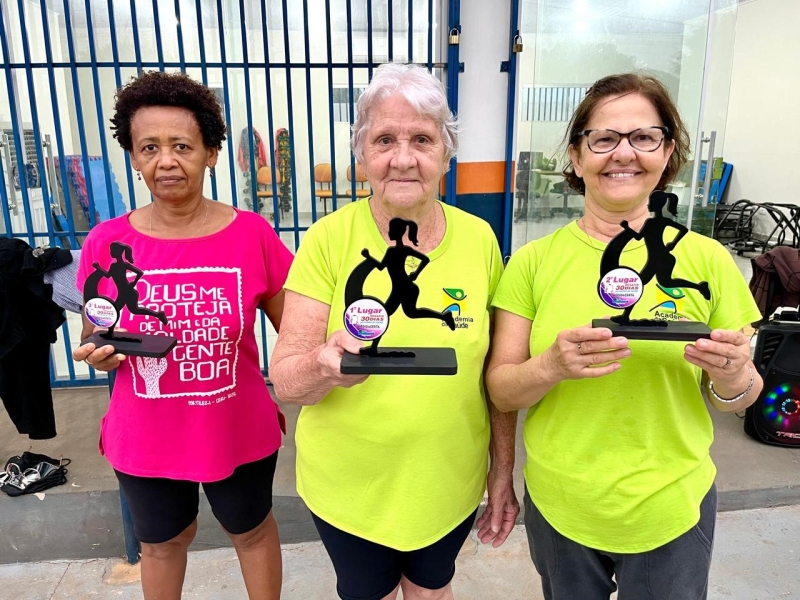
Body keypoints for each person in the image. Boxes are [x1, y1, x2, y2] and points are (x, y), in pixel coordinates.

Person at [486, 73, 763, 600]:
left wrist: (731, 376)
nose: (624, 153)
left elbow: (742, 396)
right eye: (604, 138)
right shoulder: (532, 263)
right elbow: (501, 390)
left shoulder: (708, 260)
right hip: (562, 503)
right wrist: (550, 366)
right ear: (576, 156)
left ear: (668, 152)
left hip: (671, 505)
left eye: (644, 137)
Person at [269, 63, 518, 600]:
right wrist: (322, 365)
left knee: (431, 590)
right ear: (362, 155)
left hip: (447, 481)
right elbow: (286, 380)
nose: (403, 158)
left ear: (446, 155)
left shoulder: (480, 240)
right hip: (349, 488)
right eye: (384, 140)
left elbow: (495, 375)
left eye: (422, 140)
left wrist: (503, 469)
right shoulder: (327, 240)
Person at [72, 71, 291, 600]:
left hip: (235, 426)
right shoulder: (105, 241)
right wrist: (98, 352)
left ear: (211, 153)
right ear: (133, 156)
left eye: (182, 146)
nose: (166, 161)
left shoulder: (253, 235)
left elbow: (296, 333)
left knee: (252, 532)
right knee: (162, 544)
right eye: (149, 147)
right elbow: (95, 327)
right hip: (146, 432)